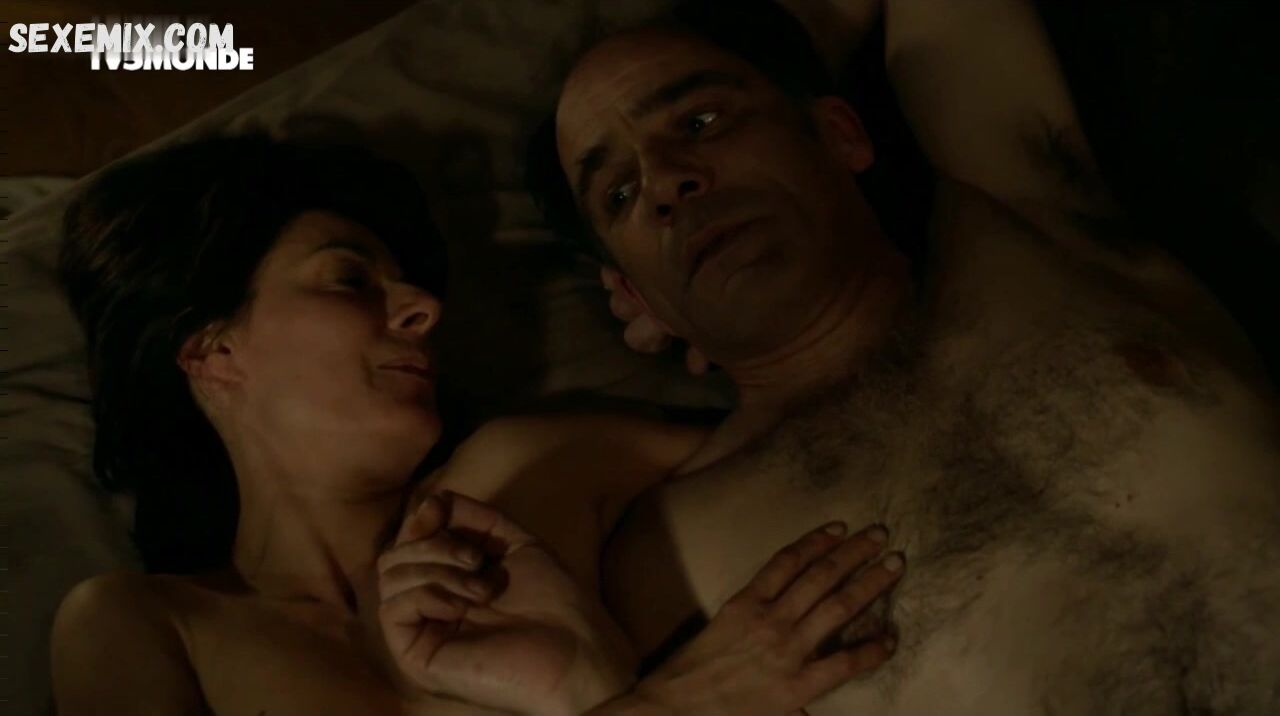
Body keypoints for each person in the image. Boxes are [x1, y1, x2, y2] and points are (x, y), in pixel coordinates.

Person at [528, 0, 1280, 712]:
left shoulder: (1025, 221)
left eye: (701, 120)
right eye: (619, 194)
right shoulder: (666, 555)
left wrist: (792, 34)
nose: (664, 179)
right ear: (638, 301)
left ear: (840, 134)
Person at [49, 133, 904, 716]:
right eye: (348, 280)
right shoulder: (148, 626)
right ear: (213, 352)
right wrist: (675, 703)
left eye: (408, 286)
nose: (421, 308)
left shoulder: (527, 473)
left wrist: (699, 309)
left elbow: (820, 424)